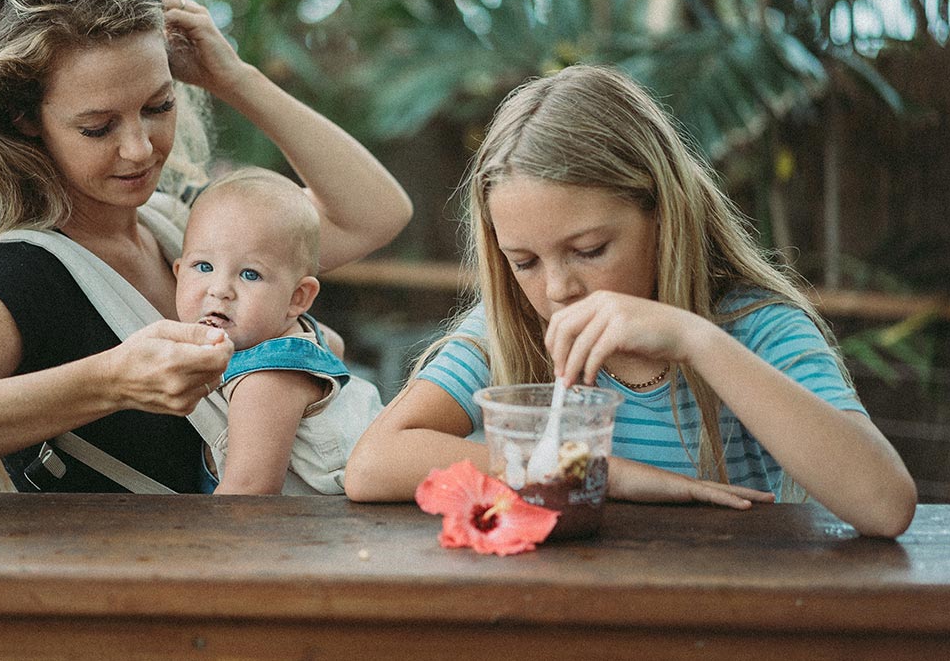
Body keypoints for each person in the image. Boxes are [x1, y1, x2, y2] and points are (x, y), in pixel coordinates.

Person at [0, 0, 412, 493]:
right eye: (98, 127)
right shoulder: (23, 276)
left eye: (158, 106)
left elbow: (374, 215)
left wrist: (235, 79)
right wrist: (111, 380)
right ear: (24, 120)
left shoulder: (182, 225)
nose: (140, 149)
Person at [344, 64, 916, 538]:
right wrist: (593, 471)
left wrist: (696, 339)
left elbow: (885, 505)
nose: (557, 289)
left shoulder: (753, 328)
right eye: (525, 262)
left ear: (662, 214)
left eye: (589, 249)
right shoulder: (508, 330)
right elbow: (369, 467)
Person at [174, 167, 384, 495]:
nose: (220, 290)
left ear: (297, 298)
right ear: (177, 272)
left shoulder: (267, 378)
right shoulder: (299, 334)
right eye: (204, 267)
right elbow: (334, 345)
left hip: (323, 530)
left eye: (250, 274)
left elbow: (248, 492)